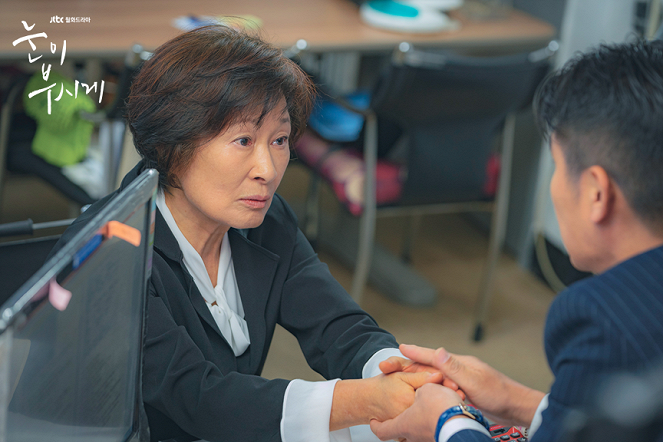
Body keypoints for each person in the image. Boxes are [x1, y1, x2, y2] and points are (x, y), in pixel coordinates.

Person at [50, 25, 451, 442]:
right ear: (173, 144)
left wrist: (393, 369)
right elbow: (201, 398)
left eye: (278, 139)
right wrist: (367, 399)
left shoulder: (263, 218)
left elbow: (336, 324)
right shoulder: (109, 253)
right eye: (243, 140)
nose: (268, 169)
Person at [369, 39, 663, 442]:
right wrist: (512, 398)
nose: (554, 186)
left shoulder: (602, 319)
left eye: (558, 166)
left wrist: (448, 423)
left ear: (597, 193)